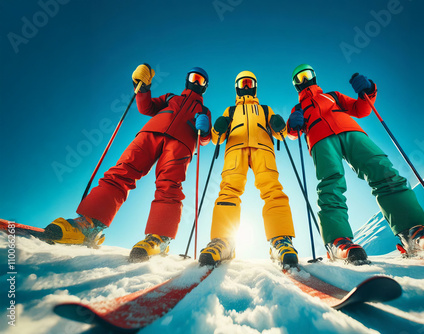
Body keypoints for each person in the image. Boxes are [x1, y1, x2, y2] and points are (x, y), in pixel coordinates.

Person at [286, 64, 424, 264]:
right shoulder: (298, 108)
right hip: (320, 140)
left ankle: (413, 233)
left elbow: (361, 109)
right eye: (299, 78)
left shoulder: (332, 96)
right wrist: (293, 123)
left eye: (307, 75)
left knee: (382, 169)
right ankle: (337, 242)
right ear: (295, 85)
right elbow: (292, 133)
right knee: (330, 184)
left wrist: (368, 90)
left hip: (351, 132)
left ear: (314, 76)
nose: (304, 80)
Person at [43, 64, 212, 262]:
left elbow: (205, 138)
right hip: (151, 133)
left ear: (205, 86)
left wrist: (206, 129)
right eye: (193, 77)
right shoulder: (170, 98)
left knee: (169, 185)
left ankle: (159, 238)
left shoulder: (204, 110)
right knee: (122, 171)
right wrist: (143, 88)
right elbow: (146, 107)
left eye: (200, 80)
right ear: (187, 79)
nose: (195, 82)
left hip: (181, 144)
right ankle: (90, 224)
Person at [199, 70, 298, 267]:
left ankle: (281, 241)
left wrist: (279, 126)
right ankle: (223, 241)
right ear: (237, 87)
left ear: (254, 86)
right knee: (228, 191)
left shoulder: (264, 109)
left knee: (272, 189)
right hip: (235, 150)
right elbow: (216, 139)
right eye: (243, 83)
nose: (246, 87)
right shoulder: (231, 111)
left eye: (249, 83)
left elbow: (282, 135)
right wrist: (218, 128)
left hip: (263, 149)